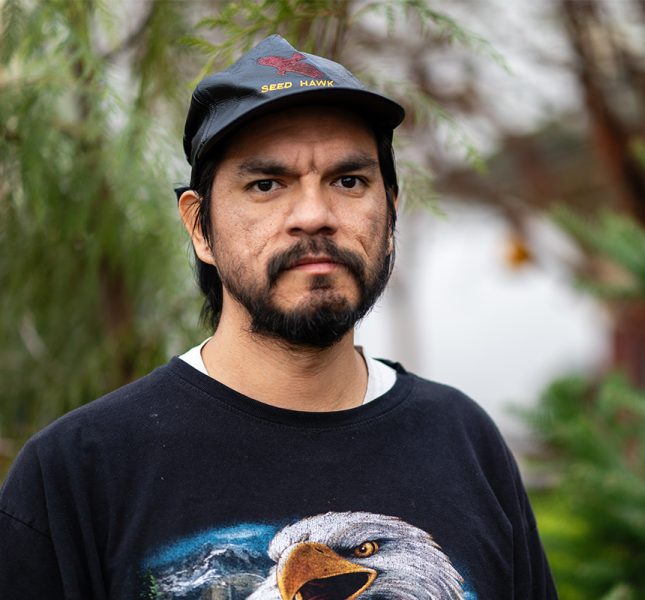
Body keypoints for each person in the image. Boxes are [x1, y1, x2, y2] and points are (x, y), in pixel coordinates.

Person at [0, 35, 557, 599]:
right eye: (266, 184)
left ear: (390, 211)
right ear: (200, 228)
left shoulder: (464, 440)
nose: (314, 215)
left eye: (348, 182)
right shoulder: (77, 471)